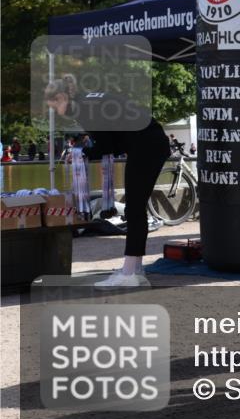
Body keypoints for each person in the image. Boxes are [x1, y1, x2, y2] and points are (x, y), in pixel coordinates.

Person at [44, 74, 171, 287]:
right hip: (149, 141)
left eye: (54, 106)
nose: (56, 112)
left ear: (61, 97)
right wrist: (85, 149)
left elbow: (106, 147)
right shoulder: (88, 100)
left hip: (147, 145)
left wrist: (80, 151)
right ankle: (135, 268)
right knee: (135, 208)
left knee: (134, 209)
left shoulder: (85, 108)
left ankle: (130, 273)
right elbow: (114, 141)